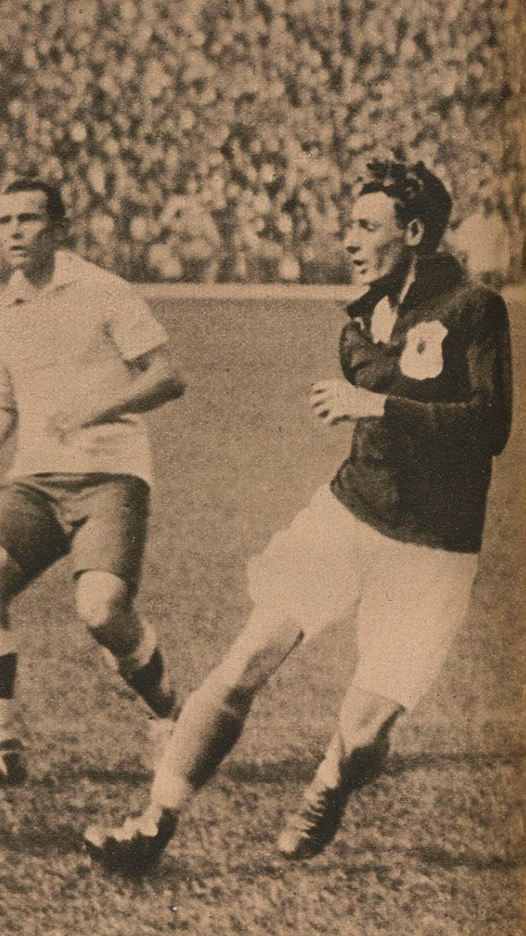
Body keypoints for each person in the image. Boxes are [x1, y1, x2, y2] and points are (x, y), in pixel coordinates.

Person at [86, 158, 513, 875]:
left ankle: (331, 783)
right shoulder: (358, 321)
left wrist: (379, 405)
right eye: (350, 225)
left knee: (364, 733)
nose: (348, 240)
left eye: (365, 226)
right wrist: (374, 408)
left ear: (413, 233)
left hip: (434, 548)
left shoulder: (475, 309)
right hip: (347, 516)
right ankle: (151, 824)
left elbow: (491, 426)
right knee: (243, 663)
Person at [0, 178, 186, 794]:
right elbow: (0, 404)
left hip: (110, 476)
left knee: (102, 611)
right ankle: (1, 748)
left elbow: (167, 376)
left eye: (28, 219)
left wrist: (96, 410)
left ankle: (167, 715)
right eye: (5, 221)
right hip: (33, 481)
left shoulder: (104, 291)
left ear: (57, 228)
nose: (15, 232)